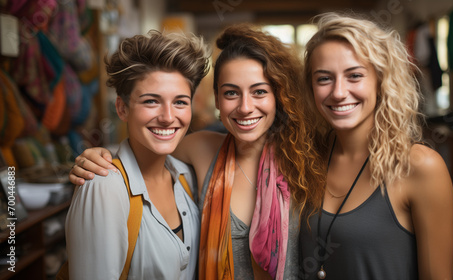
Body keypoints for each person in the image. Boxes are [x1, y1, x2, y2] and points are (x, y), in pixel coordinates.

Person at [68, 24, 324, 280]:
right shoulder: (202, 149)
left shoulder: (305, 158)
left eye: (259, 91)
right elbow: (146, 148)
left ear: (278, 95)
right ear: (217, 99)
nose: (245, 107)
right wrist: (97, 155)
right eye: (231, 93)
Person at [299, 12, 453, 279]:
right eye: (324, 78)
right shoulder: (307, 158)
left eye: (354, 75)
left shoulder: (419, 166)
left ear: (381, 81)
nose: (338, 92)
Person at [64, 30, 210, 279]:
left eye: (180, 102)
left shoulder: (187, 177)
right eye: (151, 101)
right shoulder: (103, 187)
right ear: (122, 108)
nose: (167, 117)